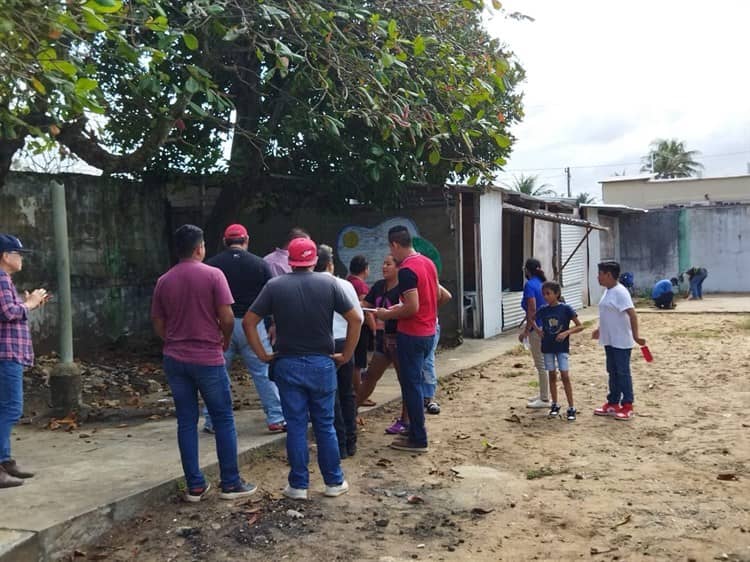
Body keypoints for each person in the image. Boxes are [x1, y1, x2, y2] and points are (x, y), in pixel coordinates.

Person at [243, 237, 361, 500]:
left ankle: (298, 485)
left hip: (287, 364)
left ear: (289, 261)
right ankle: (333, 481)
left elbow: (249, 321)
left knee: (296, 426)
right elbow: (356, 319)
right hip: (322, 363)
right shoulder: (329, 284)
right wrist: (347, 354)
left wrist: (263, 354)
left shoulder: (275, 286)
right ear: (315, 260)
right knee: (325, 425)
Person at [152, 224, 256, 502]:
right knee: (222, 418)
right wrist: (222, 339)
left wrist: (172, 340)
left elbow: (159, 322)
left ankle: (195, 485)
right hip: (207, 357)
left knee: (186, 421)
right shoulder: (213, 275)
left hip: (175, 358)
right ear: (200, 248)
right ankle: (231, 483)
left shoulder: (164, 281)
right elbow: (227, 317)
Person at [202, 224, 286, 434]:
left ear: (224, 241)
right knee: (263, 372)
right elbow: (273, 296)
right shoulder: (259, 264)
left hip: (222, 326)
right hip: (253, 325)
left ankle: (212, 421)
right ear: (246, 240)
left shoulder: (212, 266)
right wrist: (275, 323)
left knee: (216, 374)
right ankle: (276, 417)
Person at [375, 226, 438, 454]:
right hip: (429, 331)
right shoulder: (427, 263)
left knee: (411, 387)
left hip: (412, 334)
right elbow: (438, 295)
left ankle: (418, 437)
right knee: (416, 383)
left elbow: (412, 306)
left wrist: (387, 314)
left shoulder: (407, 269)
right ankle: (414, 431)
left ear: (394, 245)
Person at [0, 234, 49, 488]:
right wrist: (28, 304)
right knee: (10, 409)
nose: (21, 259)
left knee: (5, 408)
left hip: (8, 353)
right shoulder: (1, 278)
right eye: (18, 254)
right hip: (6, 354)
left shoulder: (5, 280)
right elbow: (9, 312)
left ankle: (5, 461)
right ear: (6, 256)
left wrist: (29, 304)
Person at [314, 244, 363, 459]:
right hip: (344, 341)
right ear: (330, 264)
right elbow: (358, 318)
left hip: (320, 343)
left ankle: (339, 444)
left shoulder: (307, 286)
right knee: (347, 393)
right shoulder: (344, 285)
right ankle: (350, 441)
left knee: (328, 395)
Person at [357, 254, 407, 435]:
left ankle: (405, 420)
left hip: (400, 339)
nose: (384, 267)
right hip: (381, 339)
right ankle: (350, 412)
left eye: (389, 264)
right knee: (370, 376)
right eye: (383, 263)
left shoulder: (404, 287)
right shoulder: (378, 286)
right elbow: (365, 303)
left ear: (398, 267)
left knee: (405, 380)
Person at [592, 261, 646, 421]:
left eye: (600, 274)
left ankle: (627, 405)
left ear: (609, 275)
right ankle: (613, 402)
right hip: (609, 339)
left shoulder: (620, 292)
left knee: (623, 372)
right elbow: (607, 313)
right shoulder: (607, 292)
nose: (598, 277)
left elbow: (632, 314)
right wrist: (600, 329)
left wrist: (636, 336)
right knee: (612, 371)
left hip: (621, 340)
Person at [534, 281, 584, 421]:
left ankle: (571, 406)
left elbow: (580, 326)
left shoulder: (566, 309)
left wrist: (566, 333)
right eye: (544, 294)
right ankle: (555, 404)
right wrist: (538, 330)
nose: (545, 296)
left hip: (561, 347)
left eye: (548, 293)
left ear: (557, 294)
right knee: (552, 375)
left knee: (565, 375)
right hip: (548, 346)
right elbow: (531, 319)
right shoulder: (543, 310)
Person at [519, 258, 550, 409]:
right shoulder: (543, 284)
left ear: (527, 270)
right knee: (544, 362)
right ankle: (544, 393)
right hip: (546, 326)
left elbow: (532, 308)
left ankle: (544, 398)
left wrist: (527, 330)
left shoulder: (530, 285)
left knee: (540, 364)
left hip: (537, 328)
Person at [347, 255, 375, 401]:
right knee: (359, 363)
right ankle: (360, 394)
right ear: (365, 269)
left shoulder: (347, 282)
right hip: (361, 327)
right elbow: (366, 311)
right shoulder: (361, 286)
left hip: (348, 327)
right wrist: (374, 329)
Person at [421, 285, 452, 416]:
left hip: (429, 326)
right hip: (415, 328)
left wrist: (430, 310)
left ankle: (429, 397)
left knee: (427, 361)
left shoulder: (425, 275)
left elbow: (446, 295)